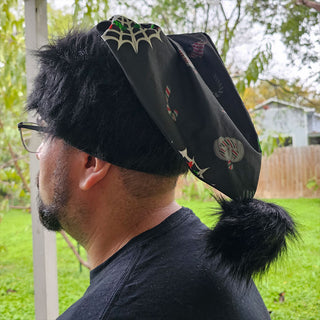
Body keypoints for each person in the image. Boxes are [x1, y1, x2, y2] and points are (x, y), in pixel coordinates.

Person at [18, 15, 297, 320]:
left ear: (91, 162)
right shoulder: (206, 258)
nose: (38, 153)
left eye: (44, 134)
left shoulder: (108, 312)